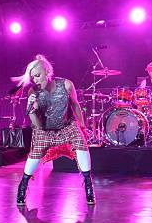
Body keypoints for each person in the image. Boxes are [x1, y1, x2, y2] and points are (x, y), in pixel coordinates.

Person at [15, 54, 95, 205]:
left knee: (81, 144)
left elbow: (75, 104)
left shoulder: (66, 85)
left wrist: (83, 125)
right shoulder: (33, 92)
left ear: (47, 71)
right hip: (44, 129)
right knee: (34, 155)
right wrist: (31, 110)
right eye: (33, 78)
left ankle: (88, 184)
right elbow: (37, 125)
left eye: (38, 76)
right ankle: (23, 186)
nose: (36, 80)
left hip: (66, 127)